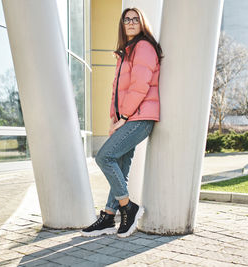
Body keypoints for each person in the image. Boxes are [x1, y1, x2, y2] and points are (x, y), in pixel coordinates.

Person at [81, 7, 163, 238]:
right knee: (120, 167)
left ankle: (128, 207)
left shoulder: (143, 47)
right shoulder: (125, 53)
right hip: (126, 118)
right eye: (126, 19)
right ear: (122, 24)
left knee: (104, 157)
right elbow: (116, 91)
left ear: (142, 22)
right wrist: (113, 118)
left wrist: (124, 117)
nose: (130, 22)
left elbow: (140, 86)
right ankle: (108, 216)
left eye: (135, 19)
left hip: (140, 117)